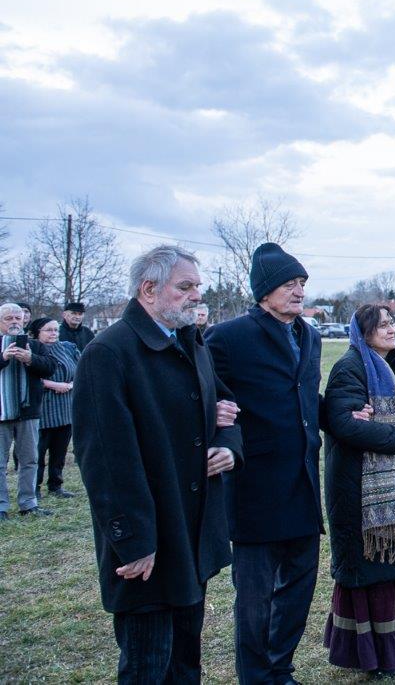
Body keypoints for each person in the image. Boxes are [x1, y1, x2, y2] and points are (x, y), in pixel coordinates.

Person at [72, 245, 242, 682]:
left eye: (197, 287)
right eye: (185, 287)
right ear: (148, 289)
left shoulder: (188, 341)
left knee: (185, 661)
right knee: (148, 663)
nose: (196, 296)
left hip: (191, 531)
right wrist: (133, 542)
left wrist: (228, 446)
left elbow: (225, 405)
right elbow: (105, 461)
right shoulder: (109, 352)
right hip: (149, 541)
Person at [206, 242, 324, 685]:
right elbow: (206, 396)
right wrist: (217, 428)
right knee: (254, 598)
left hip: (303, 482)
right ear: (264, 291)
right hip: (255, 485)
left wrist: (349, 415)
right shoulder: (228, 337)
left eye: (302, 283)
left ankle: (280, 668)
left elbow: (307, 398)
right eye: (289, 284)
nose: (299, 291)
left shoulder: (310, 336)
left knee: (300, 585)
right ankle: (256, 676)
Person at [321, 305, 395, 677]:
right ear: (364, 332)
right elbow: (342, 423)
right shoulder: (350, 368)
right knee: (373, 572)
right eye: (382, 325)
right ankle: (373, 656)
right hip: (360, 490)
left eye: (392, 323)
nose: (391, 329)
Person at [0, 303, 57, 519]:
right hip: (1, 412)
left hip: (28, 412)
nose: (15, 321)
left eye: (18, 317)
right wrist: (3, 358)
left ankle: (28, 503)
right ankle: (1, 507)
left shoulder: (35, 345)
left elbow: (50, 367)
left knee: (30, 459)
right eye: (9, 318)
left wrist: (30, 358)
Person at [30, 317, 79, 499]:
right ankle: (34, 487)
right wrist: (54, 385)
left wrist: (70, 385)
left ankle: (55, 485)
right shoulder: (32, 349)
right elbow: (29, 377)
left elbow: (79, 370)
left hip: (65, 408)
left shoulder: (67, 348)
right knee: (38, 452)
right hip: (42, 409)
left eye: (56, 330)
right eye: (48, 330)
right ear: (38, 333)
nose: (53, 333)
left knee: (59, 451)